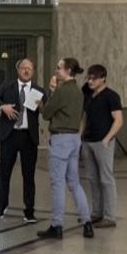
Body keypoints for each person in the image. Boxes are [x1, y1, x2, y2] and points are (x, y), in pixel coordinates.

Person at [38, 57, 94, 240]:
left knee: (57, 183)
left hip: (61, 139)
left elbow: (46, 114)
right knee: (74, 182)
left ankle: (57, 225)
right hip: (74, 139)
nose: (56, 71)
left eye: (59, 68)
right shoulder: (78, 92)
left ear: (69, 70)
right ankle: (87, 222)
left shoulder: (63, 91)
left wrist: (51, 93)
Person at [0, 56, 45, 223]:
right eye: (23, 68)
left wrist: (43, 106)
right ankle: (1, 206)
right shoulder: (8, 87)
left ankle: (29, 211)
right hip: (9, 135)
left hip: (29, 136)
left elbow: (47, 110)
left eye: (30, 68)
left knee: (29, 175)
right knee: (3, 173)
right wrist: (2, 107)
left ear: (33, 72)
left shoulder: (39, 91)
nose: (26, 71)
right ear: (18, 70)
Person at [81, 64, 124, 229]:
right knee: (92, 178)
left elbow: (119, 120)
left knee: (106, 179)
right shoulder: (89, 96)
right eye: (88, 78)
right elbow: (85, 117)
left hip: (103, 142)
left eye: (94, 78)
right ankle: (97, 213)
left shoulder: (111, 96)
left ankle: (110, 216)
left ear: (103, 78)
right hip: (88, 141)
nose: (90, 81)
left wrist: (107, 139)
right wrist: (80, 136)